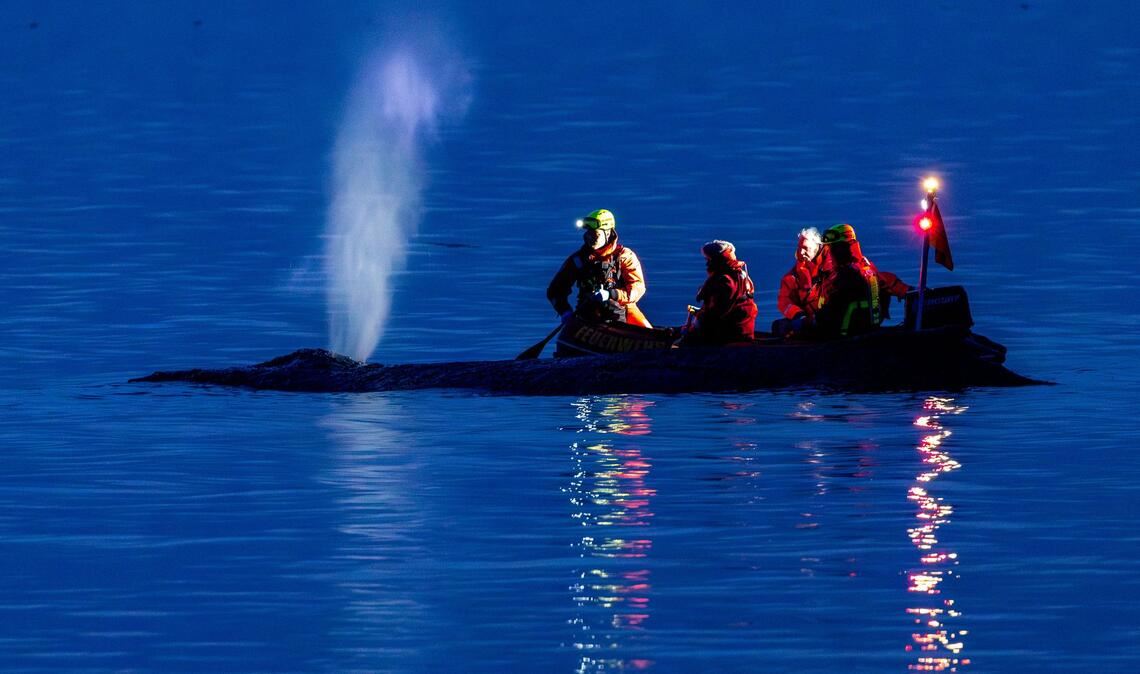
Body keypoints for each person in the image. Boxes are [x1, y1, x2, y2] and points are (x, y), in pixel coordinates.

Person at [546, 209, 651, 328]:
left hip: (622, 310)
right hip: (586, 314)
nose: (590, 238)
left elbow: (637, 288)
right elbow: (555, 291)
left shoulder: (624, 257)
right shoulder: (578, 260)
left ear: (608, 233)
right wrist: (565, 312)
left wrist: (611, 294)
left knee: (649, 332)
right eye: (588, 234)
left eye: (595, 234)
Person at [807, 223, 889, 338]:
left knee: (783, 326)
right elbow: (885, 293)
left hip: (845, 335)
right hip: (867, 330)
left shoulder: (848, 275)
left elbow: (832, 311)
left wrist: (808, 322)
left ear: (845, 247)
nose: (831, 253)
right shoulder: (868, 268)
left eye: (834, 248)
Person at [679, 240, 758, 346]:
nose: (707, 263)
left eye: (709, 259)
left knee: (682, 342)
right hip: (743, 333)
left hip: (727, 338)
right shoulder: (742, 276)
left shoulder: (725, 281)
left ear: (717, 260)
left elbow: (714, 316)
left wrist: (693, 328)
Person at [772, 227, 823, 336]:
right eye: (799, 247)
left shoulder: (831, 267)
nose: (801, 252)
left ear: (817, 247)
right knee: (779, 326)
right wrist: (799, 315)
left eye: (805, 248)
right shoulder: (794, 275)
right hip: (808, 321)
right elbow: (784, 301)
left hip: (828, 319)